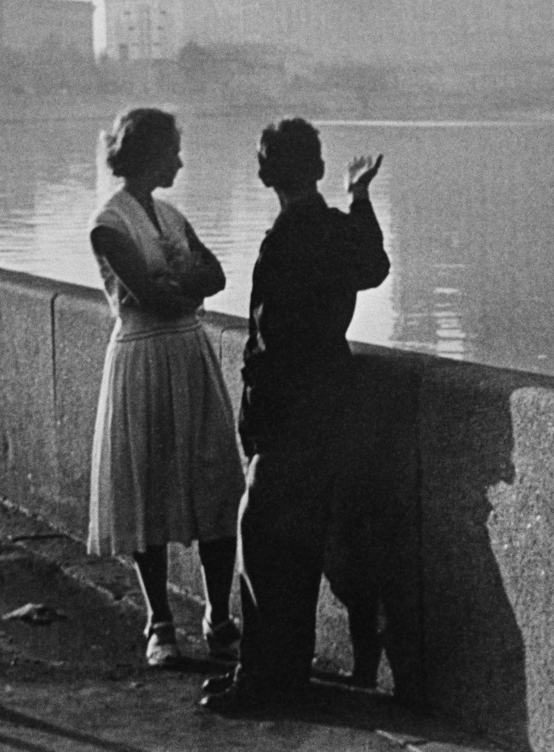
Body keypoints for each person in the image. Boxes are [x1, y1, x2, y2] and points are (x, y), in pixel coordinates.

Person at [201, 118, 389, 715]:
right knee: (302, 549)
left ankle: (260, 679)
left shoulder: (284, 240)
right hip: (331, 399)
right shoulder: (333, 229)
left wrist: (254, 420)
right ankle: (286, 675)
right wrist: (359, 198)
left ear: (265, 175)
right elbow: (374, 267)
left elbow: (270, 345)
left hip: (286, 412)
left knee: (262, 544)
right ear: (318, 168)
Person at [87, 107, 243, 668]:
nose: (179, 161)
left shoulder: (171, 216)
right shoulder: (109, 223)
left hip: (187, 351)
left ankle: (218, 616)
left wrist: (181, 285)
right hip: (144, 357)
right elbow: (155, 299)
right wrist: (185, 284)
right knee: (147, 486)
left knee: (214, 481)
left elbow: (216, 274)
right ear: (149, 155)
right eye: (173, 151)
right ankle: (160, 622)